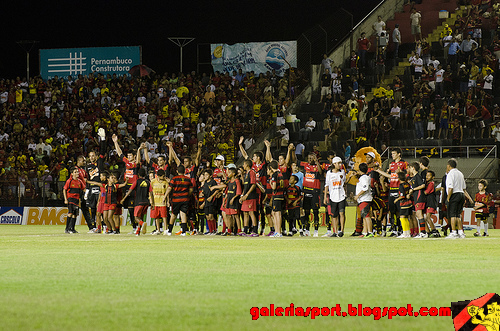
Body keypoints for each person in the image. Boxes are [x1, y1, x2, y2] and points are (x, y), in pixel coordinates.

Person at [375, 148, 407, 236]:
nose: (392, 155)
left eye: (394, 153)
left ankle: (401, 230)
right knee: (392, 211)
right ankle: (394, 230)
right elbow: (390, 176)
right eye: (392, 153)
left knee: (399, 211)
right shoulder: (392, 164)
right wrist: (378, 170)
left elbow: (406, 175)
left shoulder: (404, 163)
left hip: (399, 188)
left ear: (399, 154)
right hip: (391, 189)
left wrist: (401, 172)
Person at [112, 134, 141, 233]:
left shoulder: (136, 164)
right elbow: (119, 153)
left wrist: (139, 150)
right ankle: (134, 227)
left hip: (134, 188)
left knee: (133, 209)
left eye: (130, 156)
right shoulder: (127, 162)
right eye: (128, 156)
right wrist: (115, 142)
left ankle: (137, 226)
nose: (128, 157)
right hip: (126, 187)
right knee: (129, 209)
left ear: (134, 156)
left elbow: (138, 160)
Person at [445, 159, 473, 239]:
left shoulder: (450, 174)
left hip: (454, 194)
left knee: (452, 215)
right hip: (461, 195)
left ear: (449, 166)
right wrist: (470, 199)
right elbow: (464, 189)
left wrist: (448, 198)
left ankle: (453, 232)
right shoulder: (460, 173)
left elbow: (450, 188)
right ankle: (461, 232)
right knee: (458, 215)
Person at [121, 168, 153, 236]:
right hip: (146, 202)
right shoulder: (148, 182)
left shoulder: (137, 181)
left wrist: (123, 198)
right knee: (141, 216)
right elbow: (151, 193)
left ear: (138, 174)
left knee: (136, 218)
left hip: (139, 202)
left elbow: (130, 190)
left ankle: (142, 223)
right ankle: (138, 232)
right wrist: (152, 203)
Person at [165, 165, 193, 236]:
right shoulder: (188, 179)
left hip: (176, 200)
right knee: (183, 214)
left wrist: (165, 197)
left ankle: (169, 231)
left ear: (177, 171)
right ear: (184, 171)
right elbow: (191, 190)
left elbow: (169, 188)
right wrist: (187, 195)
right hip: (185, 199)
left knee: (174, 215)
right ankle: (183, 232)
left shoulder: (174, 179)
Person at [300, 152, 324, 237]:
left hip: (315, 192)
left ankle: (316, 230)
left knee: (315, 211)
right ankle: (307, 229)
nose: (310, 160)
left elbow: (321, 172)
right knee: (306, 211)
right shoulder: (305, 165)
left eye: (312, 158)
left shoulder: (317, 167)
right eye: (309, 158)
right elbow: (295, 160)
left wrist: (316, 161)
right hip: (306, 191)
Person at [324, 156, 347, 237]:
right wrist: (325, 197)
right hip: (333, 196)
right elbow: (326, 185)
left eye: (341, 163)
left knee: (342, 213)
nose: (340, 165)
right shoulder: (329, 173)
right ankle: (335, 231)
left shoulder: (342, 172)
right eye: (339, 163)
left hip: (341, 195)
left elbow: (344, 183)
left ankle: (342, 231)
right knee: (334, 215)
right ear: (334, 164)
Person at [239, 159, 259, 236]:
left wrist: (247, 194)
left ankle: (255, 230)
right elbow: (245, 186)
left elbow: (253, 184)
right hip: (246, 196)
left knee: (251, 212)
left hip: (251, 196)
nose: (243, 166)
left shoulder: (252, 172)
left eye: (244, 164)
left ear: (247, 165)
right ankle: (245, 230)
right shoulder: (246, 173)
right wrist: (242, 195)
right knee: (245, 213)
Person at [63, 167, 86, 234]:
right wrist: (65, 199)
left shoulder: (79, 181)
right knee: (70, 212)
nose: (77, 173)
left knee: (75, 214)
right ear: (72, 174)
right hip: (70, 199)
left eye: (77, 172)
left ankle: (72, 229)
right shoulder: (69, 181)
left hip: (77, 199)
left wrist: (87, 194)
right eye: (75, 172)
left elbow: (84, 189)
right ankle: (67, 229)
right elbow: (64, 189)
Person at [408, 162, 427, 238]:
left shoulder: (417, 177)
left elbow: (423, 185)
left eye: (410, 167)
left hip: (419, 197)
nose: (409, 169)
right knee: (418, 214)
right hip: (417, 198)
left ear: (413, 168)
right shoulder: (414, 177)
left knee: (419, 214)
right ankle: (422, 232)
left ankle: (423, 232)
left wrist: (413, 189)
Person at [354, 163, 373, 237]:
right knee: (364, 216)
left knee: (367, 216)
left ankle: (370, 232)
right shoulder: (364, 177)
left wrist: (357, 195)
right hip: (362, 199)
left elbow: (365, 188)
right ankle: (365, 232)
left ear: (359, 170)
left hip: (365, 199)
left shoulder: (364, 178)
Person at [150, 169, 169, 235]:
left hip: (162, 201)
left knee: (164, 216)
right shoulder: (153, 182)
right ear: (158, 176)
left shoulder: (165, 182)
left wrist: (168, 201)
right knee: (156, 216)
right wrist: (151, 201)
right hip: (155, 201)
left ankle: (165, 229)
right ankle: (158, 230)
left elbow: (167, 192)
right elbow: (150, 192)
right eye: (162, 176)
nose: (163, 177)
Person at [268, 160, 285, 237]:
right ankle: (277, 231)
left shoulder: (275, 175)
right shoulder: (280, 174)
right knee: (275, 213)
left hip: (276, 195)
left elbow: (274, 187)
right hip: (281, 195)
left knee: (277, 214)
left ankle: (278, 232)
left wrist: (271, 184)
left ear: (271, 167)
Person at [394, 172, 412, 238]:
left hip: (404, 203)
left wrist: (396, 199)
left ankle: (405, 233)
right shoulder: (407, 184)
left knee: (402, 217)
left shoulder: (401, 185)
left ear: (398, 178)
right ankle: (408, 233)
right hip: (409, 202)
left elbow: (402, 196)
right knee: (406, 218)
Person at [424, 170, 440, 237]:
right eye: (426, 175)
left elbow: (426, 192)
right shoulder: (426, 183)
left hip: (431, 202)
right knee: (423, 219)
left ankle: (434, 230)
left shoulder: (431, 183)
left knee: (428, 217)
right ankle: (428, 231)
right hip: (427, 202)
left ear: (433, 177)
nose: (427, 177)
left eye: (429, 175)